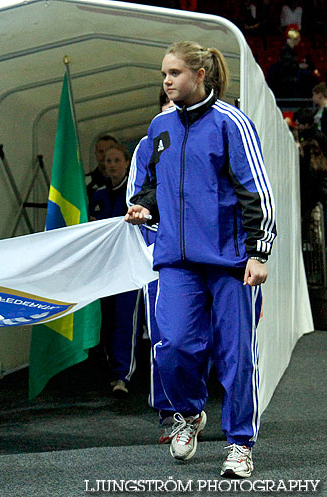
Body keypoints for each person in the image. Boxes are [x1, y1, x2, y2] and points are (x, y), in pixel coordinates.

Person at [126, 41, 276, 478]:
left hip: (230, 261)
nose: (167, 81)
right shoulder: (160, 126)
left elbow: (255, 191)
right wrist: (143, 207)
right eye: (163, 75)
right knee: (171, 346)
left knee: (236, 355)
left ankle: (240, 444)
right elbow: (152, 185)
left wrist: (257, 252)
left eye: (174, 73)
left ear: (200, 75)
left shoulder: (232, 123)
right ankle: (188, 415)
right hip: (176, 259)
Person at [126, 87, 176, 442]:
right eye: (168, 106)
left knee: (200, 336)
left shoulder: (215, 132)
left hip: (206, 247)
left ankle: (201, 406)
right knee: (162, 334)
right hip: (158, 247)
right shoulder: (147, 147)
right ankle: (170, 413)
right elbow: (136, 197)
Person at [89, 143, 141, 397]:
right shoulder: (98, 194)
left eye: (116, 160)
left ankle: (123, 374)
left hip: (129, 266)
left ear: (127, 162)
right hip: (105, 268)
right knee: (107, 319)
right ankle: (109, 370)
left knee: (125, 320)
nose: (111, 165)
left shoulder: (134, 193)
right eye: (107, 161)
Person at [86, 134, 118, 198]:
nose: (105, 155)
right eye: (101, 151)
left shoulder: (130, 178)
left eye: (109, 151)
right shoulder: (85, 183)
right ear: (96, 154)